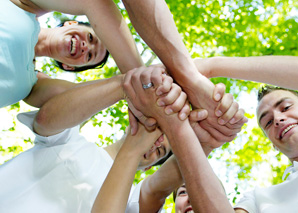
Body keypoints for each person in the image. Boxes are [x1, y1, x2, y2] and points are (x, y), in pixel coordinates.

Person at [5, 0, 239, 143]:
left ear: (70, 67)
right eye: (90, 37)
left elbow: (53, 114)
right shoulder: (25, 4)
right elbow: (96, 3)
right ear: (71, 22)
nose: (87, 46)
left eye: (89, 56)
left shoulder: (31, 85)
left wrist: (137, 87)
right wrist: (148, 80)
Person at [91, 67, 247, 213]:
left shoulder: (132, 197)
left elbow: (158, 187)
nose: (152, 144)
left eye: (160, 150)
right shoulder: (72, 140)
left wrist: (203, 142)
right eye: (154, 130)